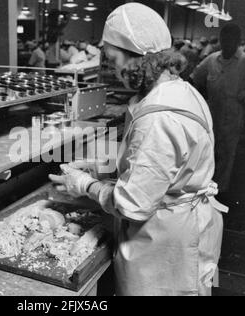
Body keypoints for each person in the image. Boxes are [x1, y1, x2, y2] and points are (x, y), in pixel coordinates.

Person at [49, 3, 228, 296]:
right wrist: (103, 166)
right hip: (184, 223)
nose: (113, 68)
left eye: (113, 59)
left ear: (137, 58)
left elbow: (133, 204)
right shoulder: (181, 90)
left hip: (165, 243)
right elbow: (165, 165)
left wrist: (85, 185)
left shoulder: (159, 118)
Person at [191, 24, 245, 193]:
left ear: (237, 42)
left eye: (229, 41)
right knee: (208, 149)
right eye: (223, 40)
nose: (225, 44)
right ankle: (204, 186)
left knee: (227, 152)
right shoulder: (212, 59)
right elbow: (195, 79)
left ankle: (221, 191)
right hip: (212, 110)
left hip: (232, 112)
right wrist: (202, 99)